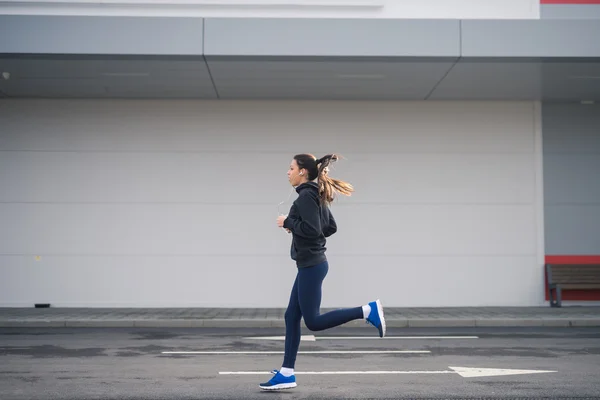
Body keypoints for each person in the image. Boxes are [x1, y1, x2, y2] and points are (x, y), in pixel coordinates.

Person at [259, 153, 385, 391]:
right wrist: (298, 229)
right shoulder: (314, 194)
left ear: (302, 172)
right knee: (291, 316)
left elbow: (315, 228)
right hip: (311, 264)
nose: (288, 172)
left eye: (291, 168)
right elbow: (329, 227)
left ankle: (367, 310)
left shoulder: (307, 195)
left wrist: (288, 222)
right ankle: (287, 373)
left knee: (314, 322)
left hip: (311, 265)